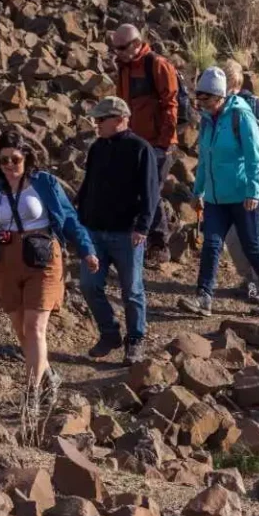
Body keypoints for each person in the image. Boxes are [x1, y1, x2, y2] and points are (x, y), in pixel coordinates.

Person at [0, 128, 98, 414]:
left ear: (26, 157)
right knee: (21, 331)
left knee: (35, 327)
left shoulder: (45, 184)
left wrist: (86, 249)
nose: (10, 166)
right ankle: (48, 375)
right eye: (3, 161)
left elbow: (70, 220)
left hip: (43, 258)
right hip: (6, 261)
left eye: (14, 159)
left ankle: (32, 394)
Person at [180, 67, 259, 318]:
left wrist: (253, 192)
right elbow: (204, 158)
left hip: (242, 197)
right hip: (215, 198)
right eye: (198, 98)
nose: (200, 103)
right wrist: (198, 190)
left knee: (252, 246)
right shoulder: (206, 120)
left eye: (205, 98)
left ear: (219, 97)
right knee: (211, 245)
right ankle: (203, 297)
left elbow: (254, 157)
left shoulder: (240, 116)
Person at [77, 97, 159, 365]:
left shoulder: (140, 148)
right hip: (95, 231)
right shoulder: (97, 148)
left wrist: (143, 226)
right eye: (96, 119)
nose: (96, 124)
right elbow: (88, 185)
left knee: (132, 290)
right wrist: (79, 223)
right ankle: (110, 333)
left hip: (127, 233)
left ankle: (135, 339)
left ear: (119, 119)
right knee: (89, 286)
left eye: (101, 119)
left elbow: (150, 192)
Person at [111, 23, 179, 264]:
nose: (116, 52)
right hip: (136, 141)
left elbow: (171, 105)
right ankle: (147, 241)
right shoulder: (124, 68)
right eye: (115, 47)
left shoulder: (157, 65)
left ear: (137, 44)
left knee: (150, 191)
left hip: (158, 143)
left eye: (121, 47)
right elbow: (122, 105)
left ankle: (159, 245)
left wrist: (162, 144)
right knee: (142, 190)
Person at [222, 59, 259, 303]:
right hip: (231, 178)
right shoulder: (217, 110)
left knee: (255, 233)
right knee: (232, 234)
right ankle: (249, 278)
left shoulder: (252, 105)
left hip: (257, 176)